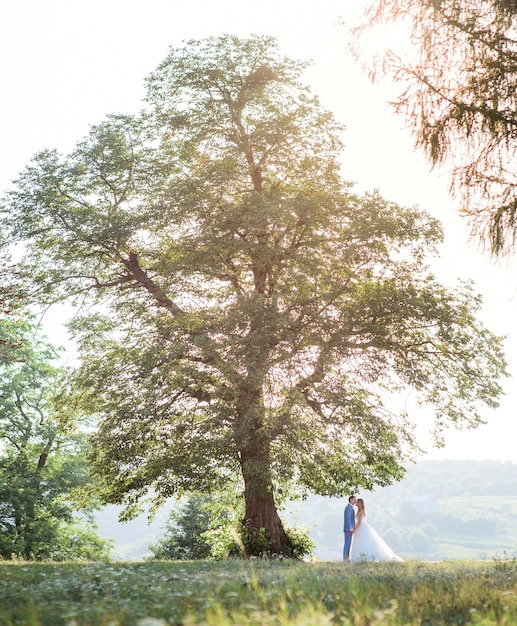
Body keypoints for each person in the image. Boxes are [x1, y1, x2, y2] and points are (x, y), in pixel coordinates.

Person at [350, 498, 403, 562]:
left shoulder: (361, 512)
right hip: (360, 527)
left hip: (362, 527)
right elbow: (357, 522)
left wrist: (355, 529)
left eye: (357, 502)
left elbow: (359, 522)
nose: (356, 503)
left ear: (359, 503)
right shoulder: (359, 511)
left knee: (364, 541)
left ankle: (364, 556)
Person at [343, 495, 357, 561]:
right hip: (348, 529)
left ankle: (347, 558)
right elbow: (348, 519)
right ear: (351, 500)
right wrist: (350, 528)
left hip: (349, 529)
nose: (355, 501)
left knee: (349, 543)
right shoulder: (348, 508)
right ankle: (345, 558)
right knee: (347, 543)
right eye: (354, 500)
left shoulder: (351, 508)